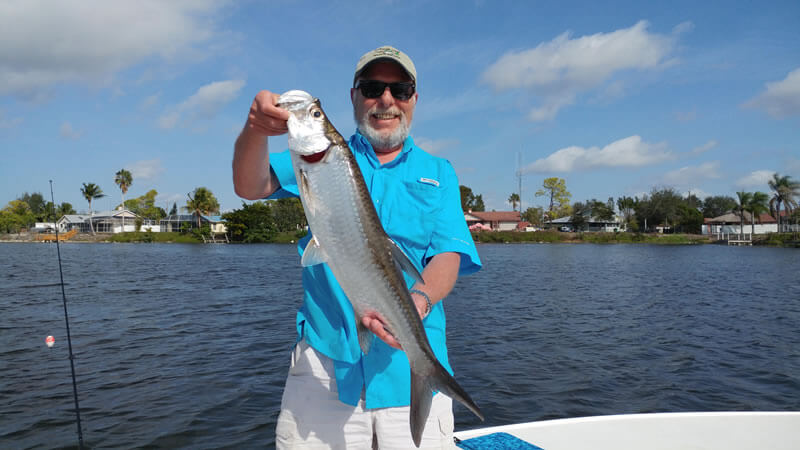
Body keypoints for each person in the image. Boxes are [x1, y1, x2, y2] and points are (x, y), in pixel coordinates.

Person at [232, 45, 481, 449]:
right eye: (372, 88)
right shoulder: (319, 157)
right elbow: (249, 185)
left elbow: (448, 255)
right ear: (353, 96)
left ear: (414, 99)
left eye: (400, 89)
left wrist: (418, 300)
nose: (386, 100)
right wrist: (255, 130)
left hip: (410, 360)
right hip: (324, 366)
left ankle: (427, 375)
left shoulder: (440, 173)